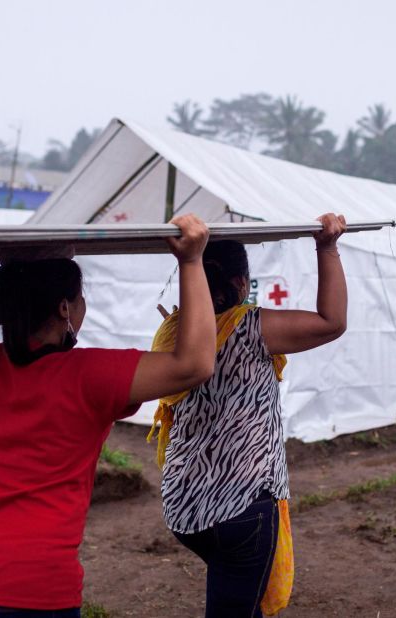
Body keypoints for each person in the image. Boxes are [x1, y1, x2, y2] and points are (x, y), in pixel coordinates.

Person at [0, 214, 216, 617]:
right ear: (65, 307)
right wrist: (191, 262)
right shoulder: (89, 375)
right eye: (80, 300)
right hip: (29, 584)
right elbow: (194, 365)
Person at [149, 213, 348, 617]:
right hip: (242, 509)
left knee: (236, 599)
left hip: (185, 507)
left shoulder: (173, 331)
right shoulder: (250, 327)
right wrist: (327, 247)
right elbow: (332, 322)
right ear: (241, 284)